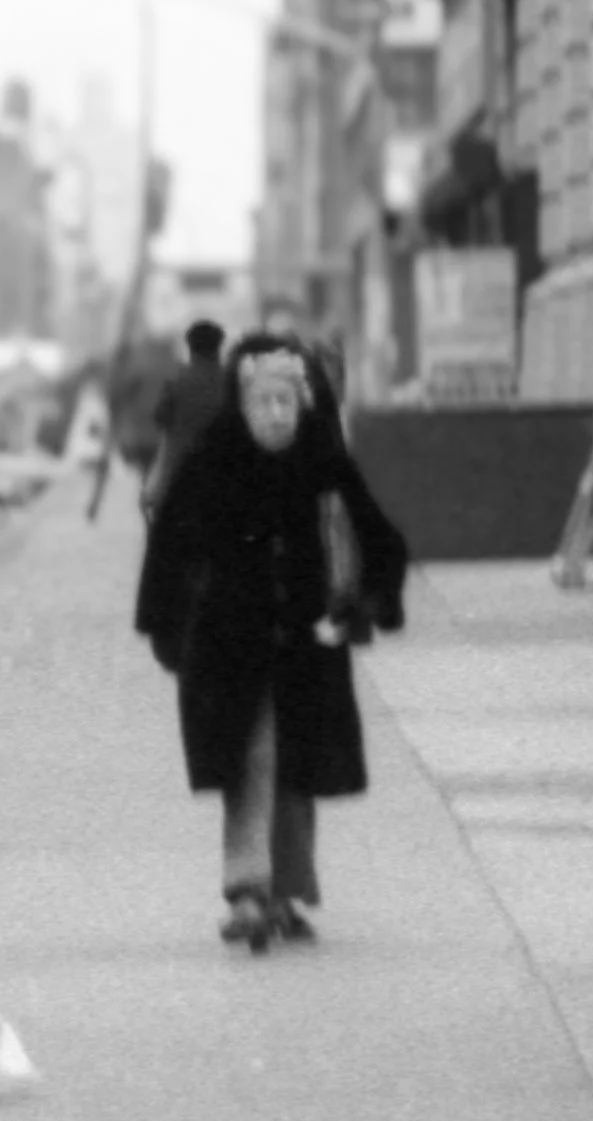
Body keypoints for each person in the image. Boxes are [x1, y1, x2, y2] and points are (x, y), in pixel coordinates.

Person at [133, 330, 409, 950]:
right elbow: (171, 547)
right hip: (232, 645)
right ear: (245, 403)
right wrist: (165, 623)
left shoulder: (320, 454)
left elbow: (375, 531)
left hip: (306, 644)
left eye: (287, 402)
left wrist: (377, 598)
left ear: (302, 404)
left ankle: (284, 891)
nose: (278, 414)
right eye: (265, 403)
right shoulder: (216, 456)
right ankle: (248, 890)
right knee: (249, 762)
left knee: (298, 768)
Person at [139, 318, 230, 520]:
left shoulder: (177, 381)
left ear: (190, 348)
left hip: (180, 474)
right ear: (219, 346)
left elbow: (160, 418)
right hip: (225, 474)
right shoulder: (232, 382)